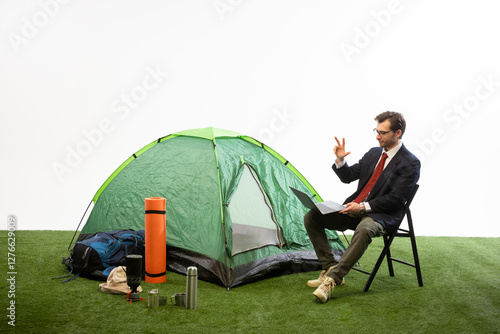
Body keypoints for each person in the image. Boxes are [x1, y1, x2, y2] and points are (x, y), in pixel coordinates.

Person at [304, 111, 420, 303]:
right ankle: (329, 267)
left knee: (365, 228)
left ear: (397, 133)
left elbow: (397, 199)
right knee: (312, 216)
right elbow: (348, 177)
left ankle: (333, 280)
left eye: (382, 132)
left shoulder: (410, 163)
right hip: (354, 209)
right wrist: (340, 161)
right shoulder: (374, 153)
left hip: (381, 216)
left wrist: (363, 207)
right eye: (376, 131)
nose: (377, 136)